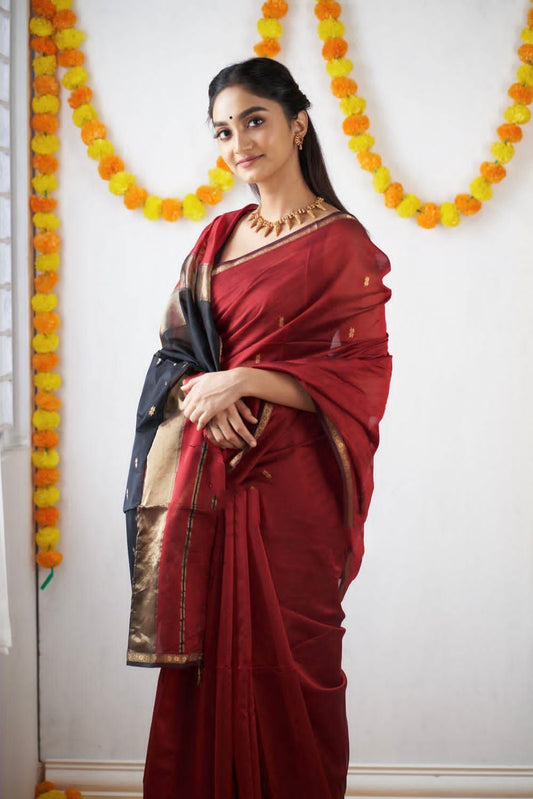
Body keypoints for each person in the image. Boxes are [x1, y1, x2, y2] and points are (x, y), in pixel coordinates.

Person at [123, 56, 393, 799]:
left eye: (253, 119)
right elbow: (174, 354)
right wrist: (201, 389)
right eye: (222, 129)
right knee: (207, 658)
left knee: (296, 659)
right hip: (207, 484)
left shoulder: (341, 243)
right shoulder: (216, 238)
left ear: (296, 123)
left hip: (293, 492)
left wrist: (243, 379)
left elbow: (364, 371)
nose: (238, 140)